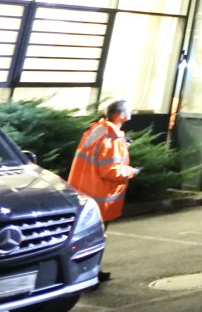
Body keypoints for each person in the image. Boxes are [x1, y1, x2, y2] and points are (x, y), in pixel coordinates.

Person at [68, 99, 139, 282]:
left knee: (84, 239)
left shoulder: (97, 130)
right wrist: (131, 171)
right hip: (100, 197)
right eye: (129, 110)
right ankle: (89, 276)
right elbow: (110, 170)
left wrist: (122, 144)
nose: (131, 112)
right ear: (121, 115)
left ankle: (86, 274)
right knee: (94, 239)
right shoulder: (111, 138)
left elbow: (97, 155)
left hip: (84, 192)